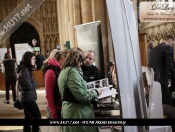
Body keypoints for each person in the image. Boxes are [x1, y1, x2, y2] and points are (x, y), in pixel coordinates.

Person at [58, 47, 102, 132]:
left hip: (70, 109)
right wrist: (96, 92)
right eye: (81, 60)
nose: (81, 63)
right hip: (77, 112)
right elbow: (81, 95)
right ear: (76, 59)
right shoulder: (72, 72)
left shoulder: (64, 70)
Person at [149, 35, 175, 106]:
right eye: (172, 43)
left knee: (159, 103)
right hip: (162, 79)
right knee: (169, 102)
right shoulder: (168, 48)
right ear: (169, 40)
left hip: (154, 79)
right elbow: (170, 65)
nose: (172, 45)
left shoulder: (153, 49)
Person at [18, 51, 41, 132]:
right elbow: (29, 86)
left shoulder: (27, 70)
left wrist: (33, 84)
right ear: (28, 59)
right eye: (33, 59)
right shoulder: (24, 71)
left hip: (27, 97)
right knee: (37, 117)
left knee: (28, 117)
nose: (35, 60)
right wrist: (35, 84)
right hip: (27, 98)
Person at [42, 49, 68, 119]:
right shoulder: (51, 72)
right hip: (56, 108)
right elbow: (49, 95)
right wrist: (53, 113)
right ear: (63, 57)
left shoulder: (59, 69)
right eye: (68, 58)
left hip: (61, 106)